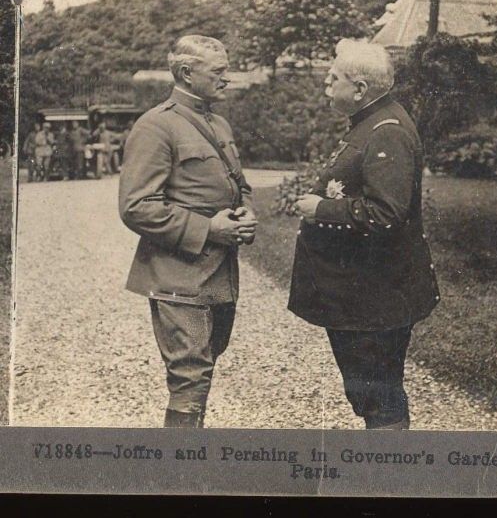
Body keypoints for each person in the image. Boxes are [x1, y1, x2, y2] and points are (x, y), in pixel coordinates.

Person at [288, 39, 440, 430]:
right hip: (365, 294)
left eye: (334, 76)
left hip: (375, 296)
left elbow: (387, 214)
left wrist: (320, 208)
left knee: (379, 397)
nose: (326, 80)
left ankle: (386, 479)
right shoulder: (373, 121)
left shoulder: (386, 130)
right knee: (371, 393)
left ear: (359, 89)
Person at [119, 35, 257, 428]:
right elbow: (135, 206)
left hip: (219, 274)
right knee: (189, 376)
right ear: (185, 73)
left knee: (205, 365)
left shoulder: (219, 122)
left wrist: (246, 211)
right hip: (177, 275)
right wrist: (207, 228)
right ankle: (180, 475)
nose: (227, 79)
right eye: (219, 72)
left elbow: (239, 185)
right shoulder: (156, 126)